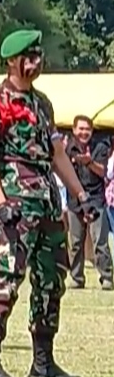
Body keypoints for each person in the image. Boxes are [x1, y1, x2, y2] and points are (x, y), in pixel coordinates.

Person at [0, 29, 97, 377]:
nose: (36, 62)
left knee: (50, 280)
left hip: (46, 200)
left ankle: (43, 362)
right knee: (6, 279)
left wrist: (80, 195)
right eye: (29, 57)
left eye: (38, 55)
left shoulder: (42, 103)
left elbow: (57, 154)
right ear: (12, 61)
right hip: (14, 200)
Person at [64, 115, 113, 290]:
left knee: (100, 241)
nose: (84, 132)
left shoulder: (100, 147)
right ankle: (76, 278)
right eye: (81, 129)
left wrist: (89, 162)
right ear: (74, 130)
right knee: (76, 242)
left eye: (87, 129)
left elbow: (103, 172)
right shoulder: (67, 148)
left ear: (92, 131)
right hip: (75, 199)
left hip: (95, 199)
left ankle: (106, 277)